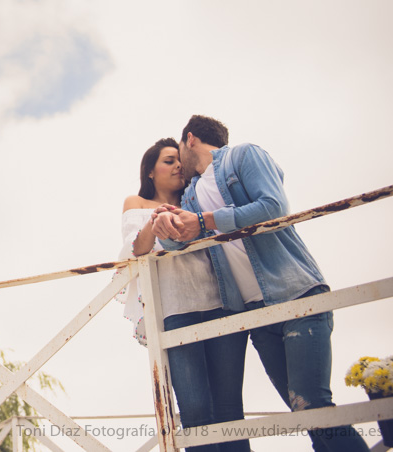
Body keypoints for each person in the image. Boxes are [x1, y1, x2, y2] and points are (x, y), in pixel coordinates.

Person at [152, 115, 367, 452]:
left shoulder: (243, 155)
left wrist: (206, 220)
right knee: (301, 413)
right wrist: (165, 225)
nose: (179, 162)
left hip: (297, 295)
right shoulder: (192, 193)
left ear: (190, 139)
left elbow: (273, 206)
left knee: (311, 402)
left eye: (179, 151)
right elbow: (181, 240)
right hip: (256, 314)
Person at [118, 138, 249, 452]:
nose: (178, 165)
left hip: (221, 302)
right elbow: (137, 248)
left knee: (230, 409)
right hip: (176, 311)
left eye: (180, 160)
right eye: (168, 160)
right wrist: (157, 220)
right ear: (150, 170)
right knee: (195, 411)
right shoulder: (135, 202)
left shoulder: (196, 198)